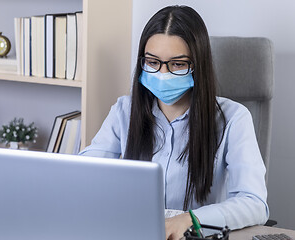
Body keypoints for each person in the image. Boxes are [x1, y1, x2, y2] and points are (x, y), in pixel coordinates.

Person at [80, 5, 269, 239]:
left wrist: (190, 219)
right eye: (153, 62)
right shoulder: (124, 110)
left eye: (178, 64)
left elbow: (254, 203)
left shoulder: (234, 118)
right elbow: (84, 175)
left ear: (198, 66)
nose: (162, 74)